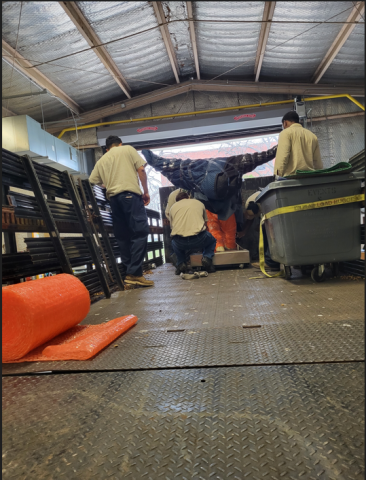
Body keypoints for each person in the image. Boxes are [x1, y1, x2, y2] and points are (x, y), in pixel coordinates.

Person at [89, 135, 153, 287]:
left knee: (123, 236)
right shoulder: (127, 149)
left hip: (114, 200)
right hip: (130, 196)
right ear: (120, 144)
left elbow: (92, 180)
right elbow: (141, 169)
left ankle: (129, 273)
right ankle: (134, 274)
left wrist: (111, 183)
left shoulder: (102, 160)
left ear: (107, 148)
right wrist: (145, 192)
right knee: (141, 232)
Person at [169, 191, 217, 275]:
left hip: (180, 242)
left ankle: (181, 263)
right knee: (212, 240)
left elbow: (172, 227)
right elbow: (205, 223)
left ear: (177, 200)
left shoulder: (172, 207)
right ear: (188, 197)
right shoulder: (199, 203)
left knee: (174, 242)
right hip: (199, 239)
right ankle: (207, 258)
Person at [274, 110, 323, 178]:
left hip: (291, 178)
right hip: (309, 178)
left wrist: (278, 174)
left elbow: (283, 156)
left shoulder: (285, 133)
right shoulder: (312, 136)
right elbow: (317, 162)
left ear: (285, 123)